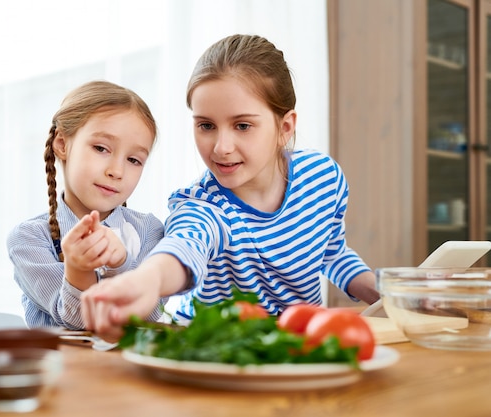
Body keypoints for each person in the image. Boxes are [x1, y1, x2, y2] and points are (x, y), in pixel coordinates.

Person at [81, 34, 380, 340]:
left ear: (285, 127)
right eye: (206, 125)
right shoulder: (202, 204)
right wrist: (148, 280)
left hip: (295, 348)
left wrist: (387, 294)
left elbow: (331, 253)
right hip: (212, 351)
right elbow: (184, 245)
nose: (221, 147)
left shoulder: (323, 179)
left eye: (242, 126)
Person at [7, 80, 165, 330]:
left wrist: (120, 264)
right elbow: (80, 320)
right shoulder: (29, 239)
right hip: (64, 368)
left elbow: (150, 312)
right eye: (101, 148)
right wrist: (78, 269)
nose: (116, 171)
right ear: (62, 144)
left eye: (134, 159)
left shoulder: (148, 230)